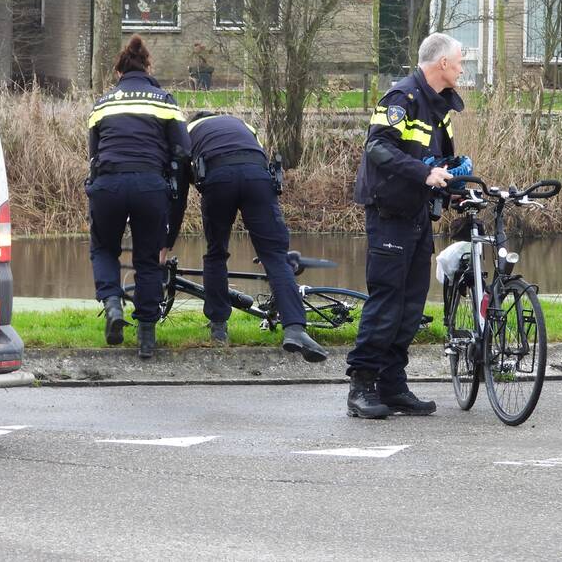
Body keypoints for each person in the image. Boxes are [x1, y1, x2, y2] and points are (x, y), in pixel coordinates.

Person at [346, 32, 462, 419]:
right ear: (442, 63)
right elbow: (377, 147)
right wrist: (423, 173)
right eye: (460, 60)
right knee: (386, 304)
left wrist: (455, 184)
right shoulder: (401, 98)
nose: (463, 68)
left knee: (411, 307)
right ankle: (361, 387)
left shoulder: (438, 107)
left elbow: (438, 161)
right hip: (389, 216)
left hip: (417, 217)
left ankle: (393, 386)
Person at [187, 110, 328, 362]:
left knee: (216, 252)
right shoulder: (243, 125)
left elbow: (187, 173)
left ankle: (219, 327)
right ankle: (295, 328)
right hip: (257, 177)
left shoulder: (189, 131)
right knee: (275, 256)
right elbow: (258, 154)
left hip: (219, 179)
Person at [86, 35, 190, 359]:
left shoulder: (102, 104)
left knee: (104, 247)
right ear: (148, 66)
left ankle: (113, 304)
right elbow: (184, 152)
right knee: (147, 258)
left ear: (118, 72)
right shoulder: (165, 101)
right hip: (150, 186)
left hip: (109, 185)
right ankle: (147, 336)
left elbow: (93, 153)